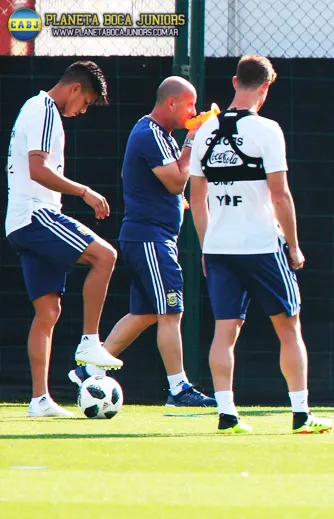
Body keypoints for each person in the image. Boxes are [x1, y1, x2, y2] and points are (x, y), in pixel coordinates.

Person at [189, 54, 332, 434]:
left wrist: (205, 246)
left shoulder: (204, 131)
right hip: (262, 247)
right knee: (289, 327)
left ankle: (227, 414)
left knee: (224, 331)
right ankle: (300, 414)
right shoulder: (267, 130)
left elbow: (196, 199)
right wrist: (295, 246)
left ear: (235, 82)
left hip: (219, 249)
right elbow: (281, 195)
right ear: (266, 87)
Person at [67, 77, 216, 407]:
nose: (194, 111)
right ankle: (178, 389)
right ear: (171, 103)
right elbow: (176, 181)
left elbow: (139, 178)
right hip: (151, 239)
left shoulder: (158, 135)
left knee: (146, 312)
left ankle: (88, 369)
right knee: (172, 311)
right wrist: (192, 141)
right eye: (190, 105)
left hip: (149, 237)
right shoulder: (151, 133)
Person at [5, 61, 122, 417]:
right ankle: (89, 343)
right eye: (85, 102)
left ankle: (39, 400)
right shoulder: (44, 109)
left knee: (48, 311)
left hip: (21, 221)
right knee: (105, 256)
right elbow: (37, 169)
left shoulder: (39, 109)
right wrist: (84, 191)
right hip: (35, 215)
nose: (83, 110)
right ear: (75, 89)